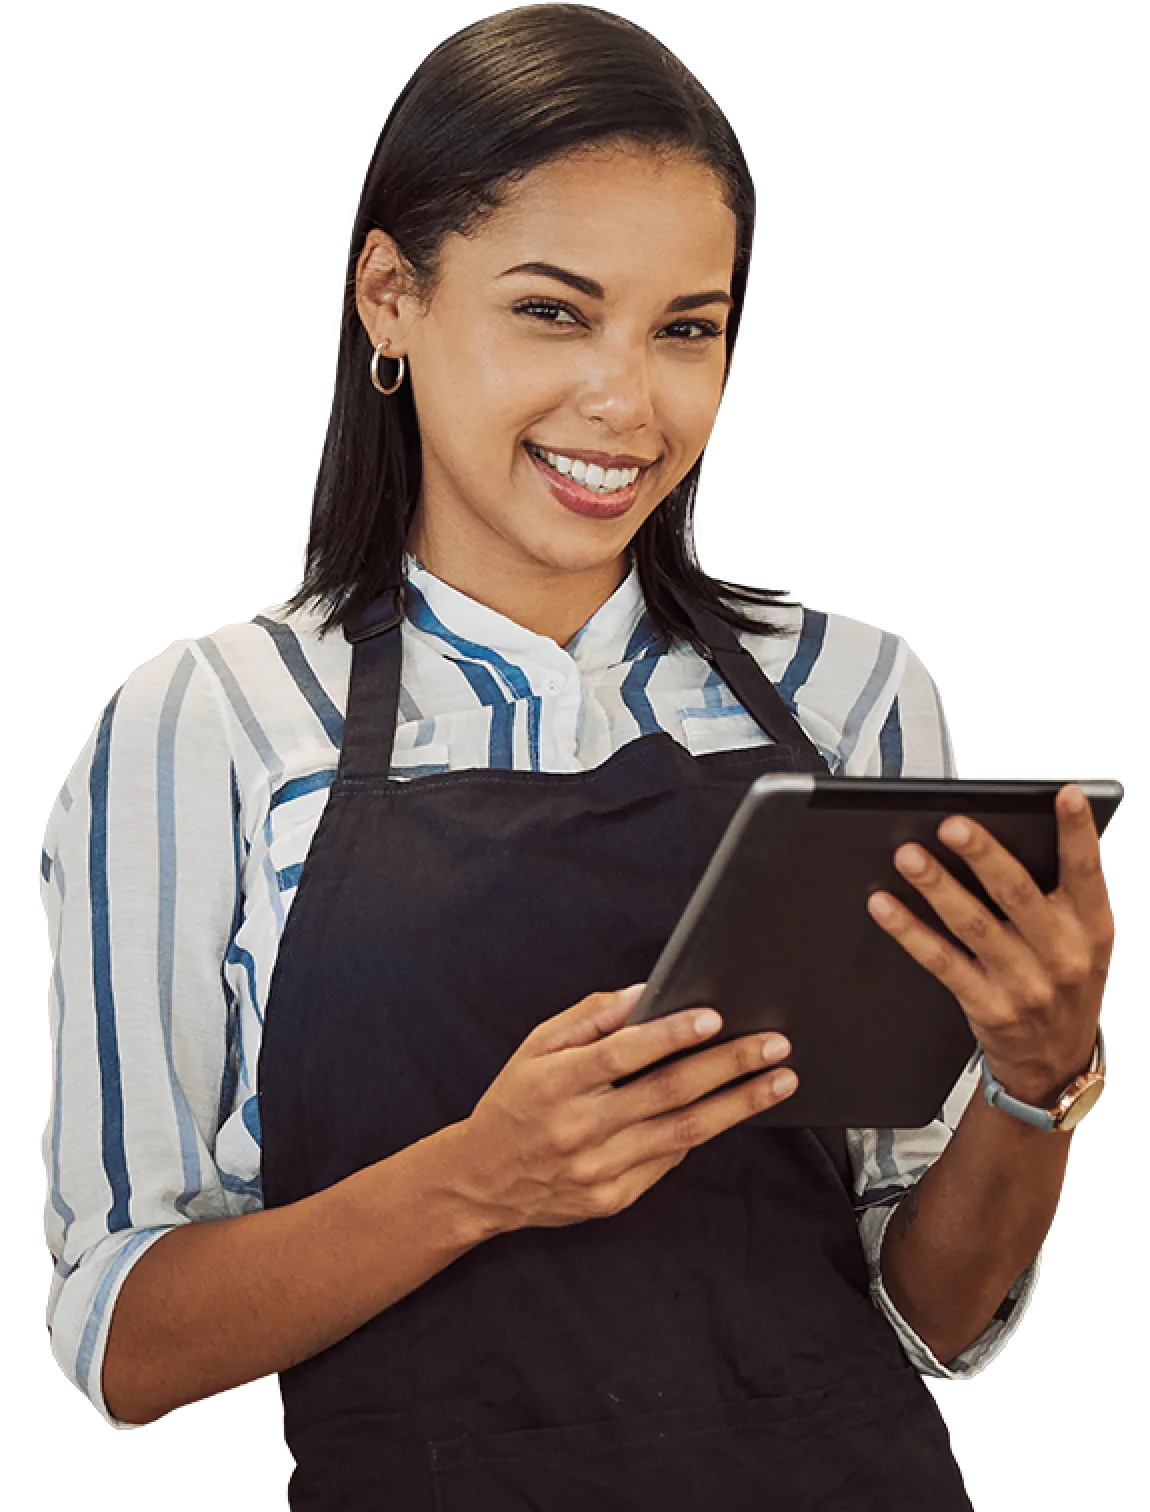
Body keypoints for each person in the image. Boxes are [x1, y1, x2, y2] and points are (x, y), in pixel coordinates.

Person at [39, 5, 1116, 1509]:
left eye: (688, 327)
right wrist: (477, 1182)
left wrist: (1030, 1083)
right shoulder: (210, 719)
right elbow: (123, 1337)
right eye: (553, 311)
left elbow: (930, 1312)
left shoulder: (853, 698)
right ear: (390, 297)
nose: (629, 401)